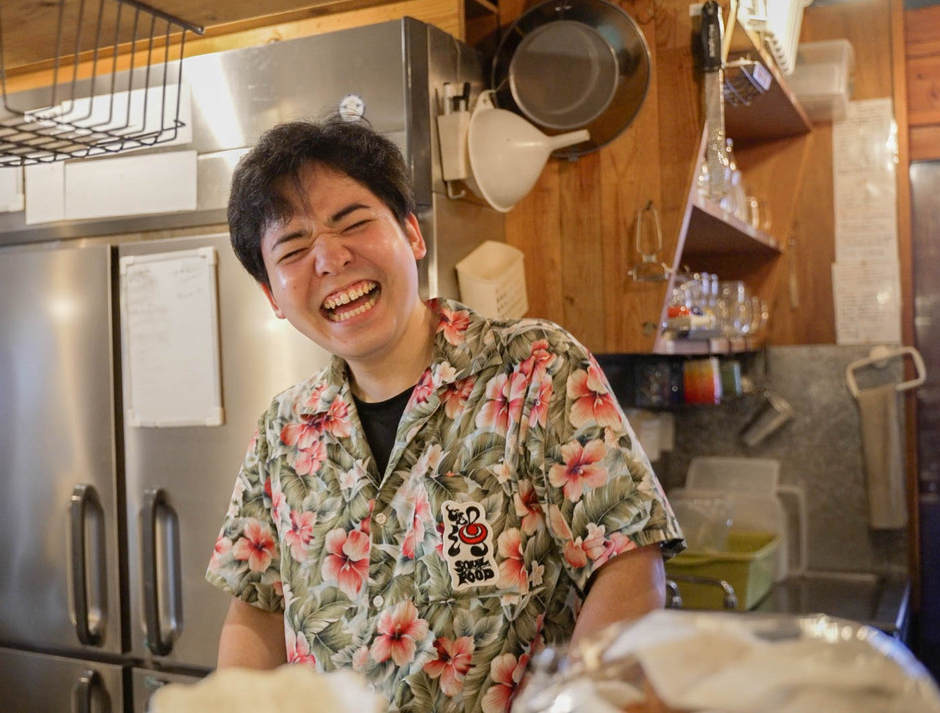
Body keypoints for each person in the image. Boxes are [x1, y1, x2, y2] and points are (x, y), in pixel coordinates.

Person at [204, 116, 685, 713]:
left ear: (411, 233)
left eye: (353, 222)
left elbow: (629, 568)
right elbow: (255, 610)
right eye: (294, 249)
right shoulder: (284, 428)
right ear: (272, 296)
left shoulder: (536, 367)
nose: (329, 258)